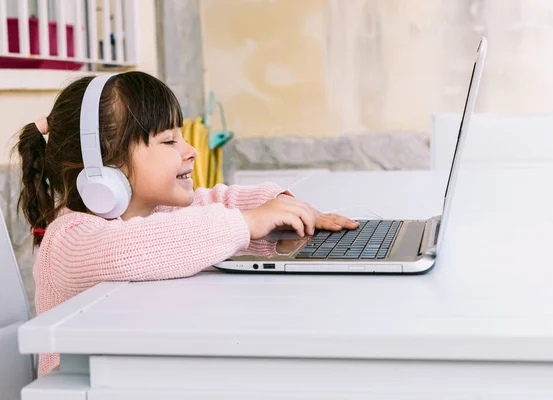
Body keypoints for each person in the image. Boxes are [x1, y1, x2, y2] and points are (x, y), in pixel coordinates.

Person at [13, 71, 358, 375]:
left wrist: (279, 206)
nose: (191, 150)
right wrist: (246, 223)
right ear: (104, 164)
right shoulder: (68, 241)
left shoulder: (156, 212)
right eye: (169, 141)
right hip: (91, 386)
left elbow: (216, 201)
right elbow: (131, 249)